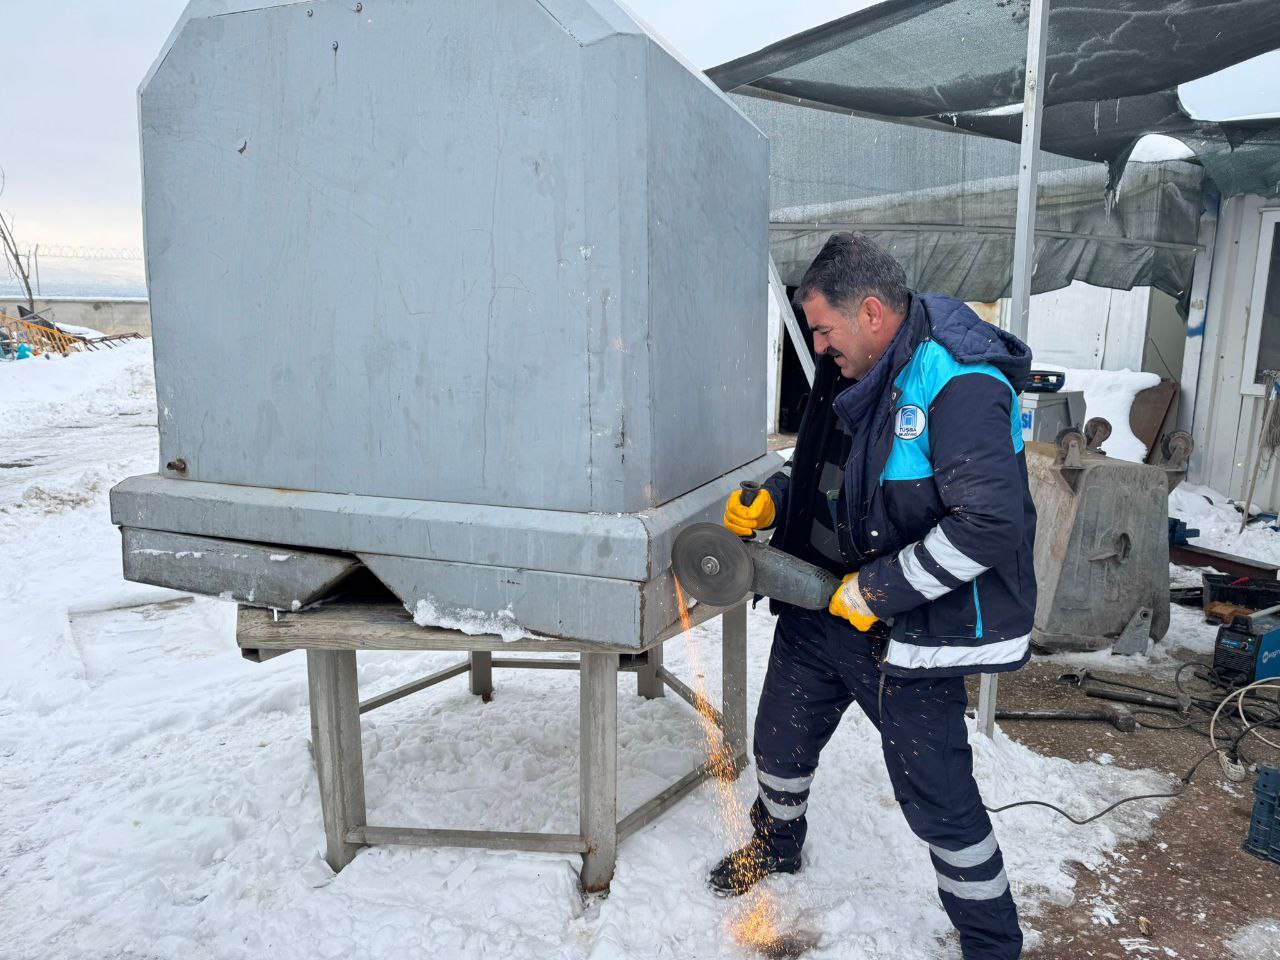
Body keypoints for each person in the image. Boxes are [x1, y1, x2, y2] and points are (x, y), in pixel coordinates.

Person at [710, 234, 1036, 960]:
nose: (817, 346)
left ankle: (991, 940)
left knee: (940, 801)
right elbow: (833, 474)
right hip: (822, 610)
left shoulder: (960, 382)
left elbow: (990, 525)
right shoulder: (852, 368)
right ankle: (778, 844)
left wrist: (881, 590)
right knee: (779, 747)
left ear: (871, 312)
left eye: (823, 329)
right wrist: (774, 500)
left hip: (909, 633)